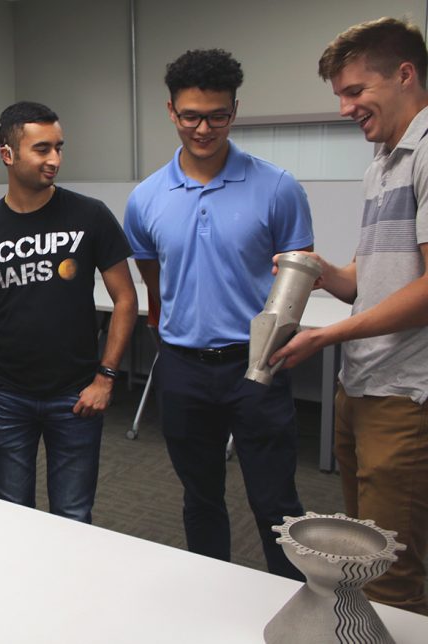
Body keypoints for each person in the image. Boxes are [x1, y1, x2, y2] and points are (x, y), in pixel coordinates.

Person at [123, 49, 313, 580]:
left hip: (258, 365)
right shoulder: (146, 198)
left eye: (218, 116)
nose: (203, 128)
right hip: (182, 369)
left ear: (234, 110)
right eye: (191, 116)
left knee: (275, 501)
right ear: (171, 111)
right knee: (200, 496)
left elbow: (294, 281)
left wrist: (274, 351)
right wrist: (170, 324)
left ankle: (295, 606)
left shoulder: (277, 187)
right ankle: (214, 597)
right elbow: (152, 281)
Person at [271, 17, 428, 614]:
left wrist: (330, 335)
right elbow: (371, 277)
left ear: (405, 74)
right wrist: (317, 269)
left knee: (391, 571)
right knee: (359, 556)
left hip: (405, 396)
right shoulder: (382, 163)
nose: (345, 107)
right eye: (340, 94)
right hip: (361, 386)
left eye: (356, 91)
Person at [0, 101, 137, 524]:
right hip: (5, 397)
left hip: (75, 397)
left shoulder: (89, 215)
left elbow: (126, 299)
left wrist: (106, 378)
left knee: (73, 514)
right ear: (8, 154)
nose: (54, 159)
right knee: (13, 515)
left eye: (58, 147)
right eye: (42, 149)